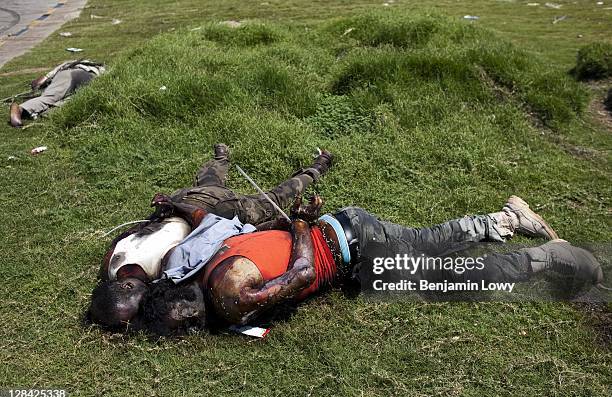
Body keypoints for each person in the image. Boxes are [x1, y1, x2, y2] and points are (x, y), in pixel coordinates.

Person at [138, 195, 604, 335]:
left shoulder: (231, 297)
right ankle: (505, 219)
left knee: (442, 278)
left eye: (186, 327)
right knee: (427, 243)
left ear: (188, 309)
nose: (192, 332)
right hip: (346, 229)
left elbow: (300, 274)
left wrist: (300, 228)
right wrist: (301, 226)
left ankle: (546, 258)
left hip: (352, 248)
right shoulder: (203, 267)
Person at [87, 144, 333, 329]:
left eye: (140, 308)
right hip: (217, 212)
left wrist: (167, 207)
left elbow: (140, 230)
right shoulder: (168, 280)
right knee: (275, 198)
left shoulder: (117, 262)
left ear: (126, 285)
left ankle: (221, 157)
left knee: (210, 182)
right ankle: (318, 166)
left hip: (190, 204)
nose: (148, 311)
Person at [9, 60, 105, 127]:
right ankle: (29, 110)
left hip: (69, 74)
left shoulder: (69, 64)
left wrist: (40, 82)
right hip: (89, 76)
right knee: (74, 99)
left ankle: (22, 108)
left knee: (49, 97)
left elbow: (41, 80)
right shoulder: (99, 68)